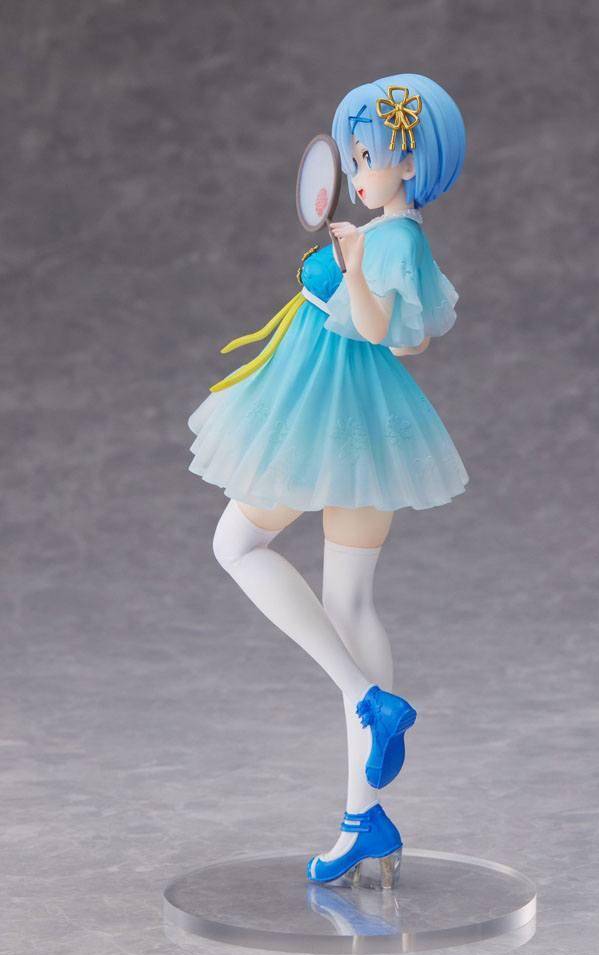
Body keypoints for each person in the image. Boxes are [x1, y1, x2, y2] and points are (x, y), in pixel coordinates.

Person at [187, 74, 468, 887]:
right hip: (371, 423)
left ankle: (363, 695)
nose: (357, 170)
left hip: (324, 413)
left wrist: (351, 266)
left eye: (369, 156)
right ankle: (363, 820)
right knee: (350, 604)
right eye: (352, 157)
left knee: (237, 544)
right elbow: (414, 341)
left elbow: (381, 331)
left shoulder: (389, 240)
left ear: (411, 162)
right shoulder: (400, 237)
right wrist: (357, 260)